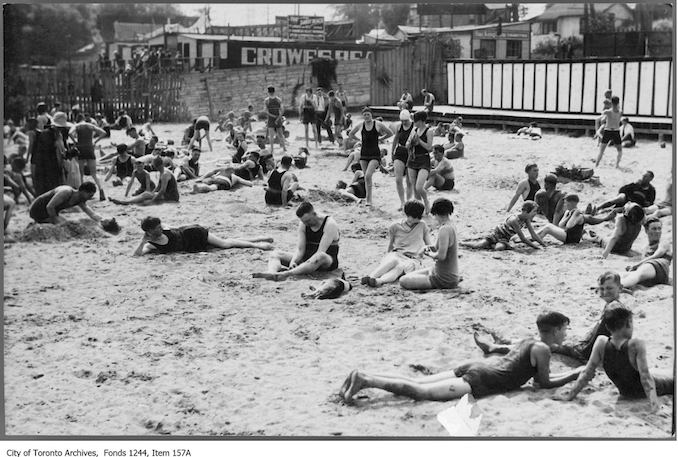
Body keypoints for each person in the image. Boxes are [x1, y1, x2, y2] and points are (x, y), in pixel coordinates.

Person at [340, 311, 582, 403]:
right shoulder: (543, 350)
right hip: (481, 380)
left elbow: (507, 351)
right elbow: (542, 383)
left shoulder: (530, 340)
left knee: (421, 382)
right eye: (565, 329)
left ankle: (363, 375)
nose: (566, 333)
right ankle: (367, 380)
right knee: (421, 392)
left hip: (479, 367)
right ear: (557, 329)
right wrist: (573, 374)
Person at [477, 272, 627, 365]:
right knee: (543, 339)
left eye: (609, 288)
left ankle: (500, 347)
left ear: (620, 288)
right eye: (601, 289)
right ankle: (507, 341)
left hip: (583, 351)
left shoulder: (613, 308)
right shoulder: (614, 305)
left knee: (546, 344)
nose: (604, 292)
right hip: (584, 345)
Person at [555, 307, 673, 412]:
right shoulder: (636, 344)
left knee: (659, 372)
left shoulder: (601, 342)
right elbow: (645, 377)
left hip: (625, 392)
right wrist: (654, 403)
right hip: (642, 391)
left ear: (607, 327)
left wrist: (571, 395)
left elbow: (587, 372)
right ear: (628, 324)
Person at [252, 202, 340, 281]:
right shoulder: (303, 223)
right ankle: (272, 272)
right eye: (304, 221)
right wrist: (293, 261)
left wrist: (300, 265)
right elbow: (300, 249)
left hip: (326, 261)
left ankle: (286, 274)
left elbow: (320, 251)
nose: (306, 224)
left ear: (314, 213)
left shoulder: (330, 224)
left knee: (320, 256)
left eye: (308, 220)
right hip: (307, 259)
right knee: (275, 254)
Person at [361, 200, 430, 287]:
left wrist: (427, 253)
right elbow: (391, 245)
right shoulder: (395, 226)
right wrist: (387, 256)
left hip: (413, 258)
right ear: (408, 215)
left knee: (400, 267)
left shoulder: (422, 225)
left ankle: (379, 281)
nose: (419, 218)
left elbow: (429, 245)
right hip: (397, 253)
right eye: (417, 216)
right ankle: (371, 276)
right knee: (393, 260)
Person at [399, 198, 460, 290]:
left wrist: (429, 254)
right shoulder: (450, 225)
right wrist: (426, 248)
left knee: (403, 280)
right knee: (410, 275)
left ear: (436, 213)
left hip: (443, 279)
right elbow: (437, 247)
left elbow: (441, 256)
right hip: (441, 272)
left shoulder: (444, 230)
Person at [133, 216, 273, 256]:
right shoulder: (150, 243)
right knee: (224, 243)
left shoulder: (163, 228)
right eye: (157, 228)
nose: (160, 228)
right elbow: (136, 255)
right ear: (150, 231)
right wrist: (141, 241)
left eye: (160, 226)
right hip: (191, 246)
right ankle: (257, 238)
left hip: (193, 233)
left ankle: (257, 244)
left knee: (224, 244)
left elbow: (174, 228)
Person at [347, 108, 394, 207]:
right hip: (364, 153)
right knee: (366, 177)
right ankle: (368, 198)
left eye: (368, 114)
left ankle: (369, 200)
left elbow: (390, 132)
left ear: (371, 115)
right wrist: (358, 139)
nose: (366, 116)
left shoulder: (377, 124)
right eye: (364, 115)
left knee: (368, 175)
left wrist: (381, 139)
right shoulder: (361, 125)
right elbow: (351, 133)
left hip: (374, 154)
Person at [462, 201, 545, 251]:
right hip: (496, 234)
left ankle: (492, 245)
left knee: (499, 248)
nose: (535, 214)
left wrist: (542, 244)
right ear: (526, 211)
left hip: (505, 238)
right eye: (533, 211)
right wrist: (536, 247)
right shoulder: (514, 220)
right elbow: (523, 239)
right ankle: (463, 243)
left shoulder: (526, 219)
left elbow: (533, 234)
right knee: (479, 245)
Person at [620, 217, 672, 289]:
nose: (657, 231)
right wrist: (634, 267)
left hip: (660, 267)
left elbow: (657, 255)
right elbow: (643, 263)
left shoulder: (663, 242)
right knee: (623, 275)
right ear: (646, 231)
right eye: (654, 229)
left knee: (638, 274)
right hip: (650, 275)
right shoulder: (645, 247)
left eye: (659, 228)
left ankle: (617, 287)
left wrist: (637, 265)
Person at [109, 156, 179, 205]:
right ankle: (127, 201)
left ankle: (125, 202)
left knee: (146, 195)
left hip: (171, 197)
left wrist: (153, 200)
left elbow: (162, 190)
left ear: (156, 166)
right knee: (146, 195)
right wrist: (152, 194)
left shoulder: (164, 174)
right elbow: (158, 187)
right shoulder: (163, 171)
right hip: (167, 194)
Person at [69, 114, 107, 200]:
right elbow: (103, 133)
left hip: (81, 148)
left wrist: (75, 141)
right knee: (94, 173)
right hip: (90, 148)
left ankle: (82, 192)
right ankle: (101, 189)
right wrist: (95, 141)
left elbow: (70, 133)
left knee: (81, 173)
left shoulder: (77, 126)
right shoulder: (90, 125)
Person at [29, 182, 103, 224]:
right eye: (90, 195)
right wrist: (56, 221)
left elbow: (90, 213)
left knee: (69, 224)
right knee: (65, 224)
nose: (90, 198)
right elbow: (50, 207)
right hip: (37, 210)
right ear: (83, 191)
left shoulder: (80, 199)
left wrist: (102, 220)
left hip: (48, 212)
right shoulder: (66, 192)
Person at [588, 171, 656, 215]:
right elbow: (622, 190)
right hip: (626, 199)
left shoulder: (651, 190)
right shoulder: (636, 184)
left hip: (634, 205)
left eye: (646, 177)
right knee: (620, 197)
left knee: (623, 208)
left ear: (650, 179)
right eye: (643, 176)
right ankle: (598, 207)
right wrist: (632, 184)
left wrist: (645, 203)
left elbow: (650, 203)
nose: (643, 177)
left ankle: (602, 212)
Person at [405, 111, 433, 213]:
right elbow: (407, 144)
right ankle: (419, 208)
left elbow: (429, 147)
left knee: (419, 186)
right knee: (414, 187)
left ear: (421, 121)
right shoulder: (414, 130)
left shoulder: (429, 131)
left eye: (415, 121)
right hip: (413, 159)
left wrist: (419, 141)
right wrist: (411, 142)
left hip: (424, 159)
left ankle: (426, 201)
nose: (414, 123)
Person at [390, 109, 414, 211]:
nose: (404, 122)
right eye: (402, 120)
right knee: (398, 179)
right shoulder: (399, 126)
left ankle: (408, 202)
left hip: (410, 152)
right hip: (400, 151)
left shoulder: (414, 126)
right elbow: (396, 138)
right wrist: (392, 151)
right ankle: (402, 202)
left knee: (409, 181)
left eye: (406, 120)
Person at [595, 95, 623, 168]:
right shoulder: (620, 112)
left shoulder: (607, 111)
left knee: (601, 150)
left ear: (611, 102)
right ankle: (617, 165)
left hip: (608, 130)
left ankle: (596, 164)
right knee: (619, 150)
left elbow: (600, 119)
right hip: (616, 131)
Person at [264, 86, 286, 154]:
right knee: (280, 134)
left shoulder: (267, 100)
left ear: (268, 92)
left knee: (272, 135)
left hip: (272, 118)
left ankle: (273, 149)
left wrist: (274, 117)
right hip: (276, 117)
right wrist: (278, 117)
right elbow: (282, 110)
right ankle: (283, 148)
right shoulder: (278, 99)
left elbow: (266, 111)